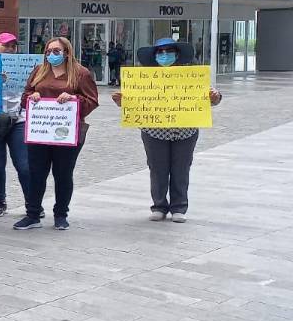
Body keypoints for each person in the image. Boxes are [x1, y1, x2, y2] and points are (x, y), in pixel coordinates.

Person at [111, 38, 222, 223]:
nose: (164, 55)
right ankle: (159, 206)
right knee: (157, 169)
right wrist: (122, 101)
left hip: (185, 132)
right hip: (154, 132)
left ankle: (179, 207)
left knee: (181, 169)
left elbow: (212, 98)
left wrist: (215, 97)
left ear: (177, 54)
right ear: (154, 56)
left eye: (169, 51)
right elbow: (132, 102)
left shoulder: (191, 76)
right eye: (160, 52)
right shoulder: (145, 78)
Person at [14, 37, 99, 231]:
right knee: (36, 173)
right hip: (41, 130)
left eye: (56, 51)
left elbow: (92, 100)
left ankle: (61, 214)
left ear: (67, 53)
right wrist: (32, 97)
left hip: (66, 132)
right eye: (48, 51)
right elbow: (26, 95)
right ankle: (33, 214)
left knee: (63, 174)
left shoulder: (80, 73)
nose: (51, 55)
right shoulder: (40, 71)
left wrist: (73, 98)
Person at [0, 33, 30, 218]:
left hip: (17, 119)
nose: (10, 49)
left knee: (24, 165)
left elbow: (32, 89)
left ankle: (31, 202)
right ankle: (0, 202)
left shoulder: (24, 66)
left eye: (13, 46)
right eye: (5, 45)